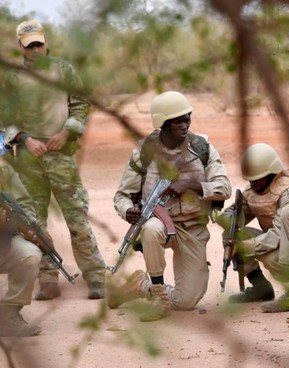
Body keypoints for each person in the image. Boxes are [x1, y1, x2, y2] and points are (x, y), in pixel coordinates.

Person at [1, 20, 106, 300]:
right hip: (28, 158)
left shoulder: (64, 70)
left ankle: (95, 275)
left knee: (76, 216)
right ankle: (47, 278)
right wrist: (23, 138)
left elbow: (82, 103)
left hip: (60, 156)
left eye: (39, 43)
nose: (36, 49)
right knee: (35, 221)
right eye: (30, 45)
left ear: (46, 42)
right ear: (20, 46)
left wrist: (67, 131)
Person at [108, 91, 231, 322]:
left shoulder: (202, 149)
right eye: (178, 121)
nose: (185, 125)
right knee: (151, 229)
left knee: (186, 302)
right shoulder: (145, 152)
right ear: (163, 123)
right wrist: (128, 211)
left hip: (193, 227)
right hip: (160, 222)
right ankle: (158, 297)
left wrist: (192, 185)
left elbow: (224, 188)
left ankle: (139, 285)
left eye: (187, 118)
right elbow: (122, 195)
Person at [216, 143, 289, 313]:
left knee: (270, 256)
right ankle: (260, 287)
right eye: (251, 180)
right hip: (279, 243)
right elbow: (235, 213)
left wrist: (245, 247)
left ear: (272, 172)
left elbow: (278, 235)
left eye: (259, 179)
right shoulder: (254, 188)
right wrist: (229, 221)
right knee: (231, 236)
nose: (255, 183)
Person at [0, 157, 44, 336]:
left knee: (29, 255)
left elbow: (24, 203)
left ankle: (9, 314)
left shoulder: (3, 169)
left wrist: (29, 225)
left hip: (4, 238)